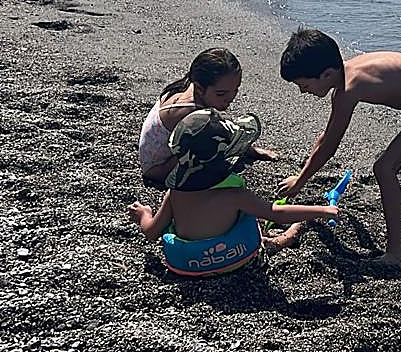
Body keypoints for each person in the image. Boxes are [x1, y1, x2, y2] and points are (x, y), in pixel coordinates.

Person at [277, 28, 401, 265]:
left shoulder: (349, 89)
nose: (303, 91)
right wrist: (302, 174)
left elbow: (331, 144)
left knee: (385, 167)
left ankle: (397, 253)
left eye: (304, 85)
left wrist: (299, 182)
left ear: (327, 74)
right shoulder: (346, 71)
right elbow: (325, 137)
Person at [128, 108, 338, 275]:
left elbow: (151, 232)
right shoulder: (234, 195)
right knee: (263, 231)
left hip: (188, 268)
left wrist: (143, 215)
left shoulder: (175, 194)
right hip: (237, 263)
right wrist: (321, 210)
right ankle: (284, 238)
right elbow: (275, 213)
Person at [138, 47, 275, 187]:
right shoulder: (191, 113)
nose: (230, 98)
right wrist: (247, 149)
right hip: (160, 170)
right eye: (221, 94)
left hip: (159, 158)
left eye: (236, 89)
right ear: (200, 87)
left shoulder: (186, 87)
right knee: (213, 145)